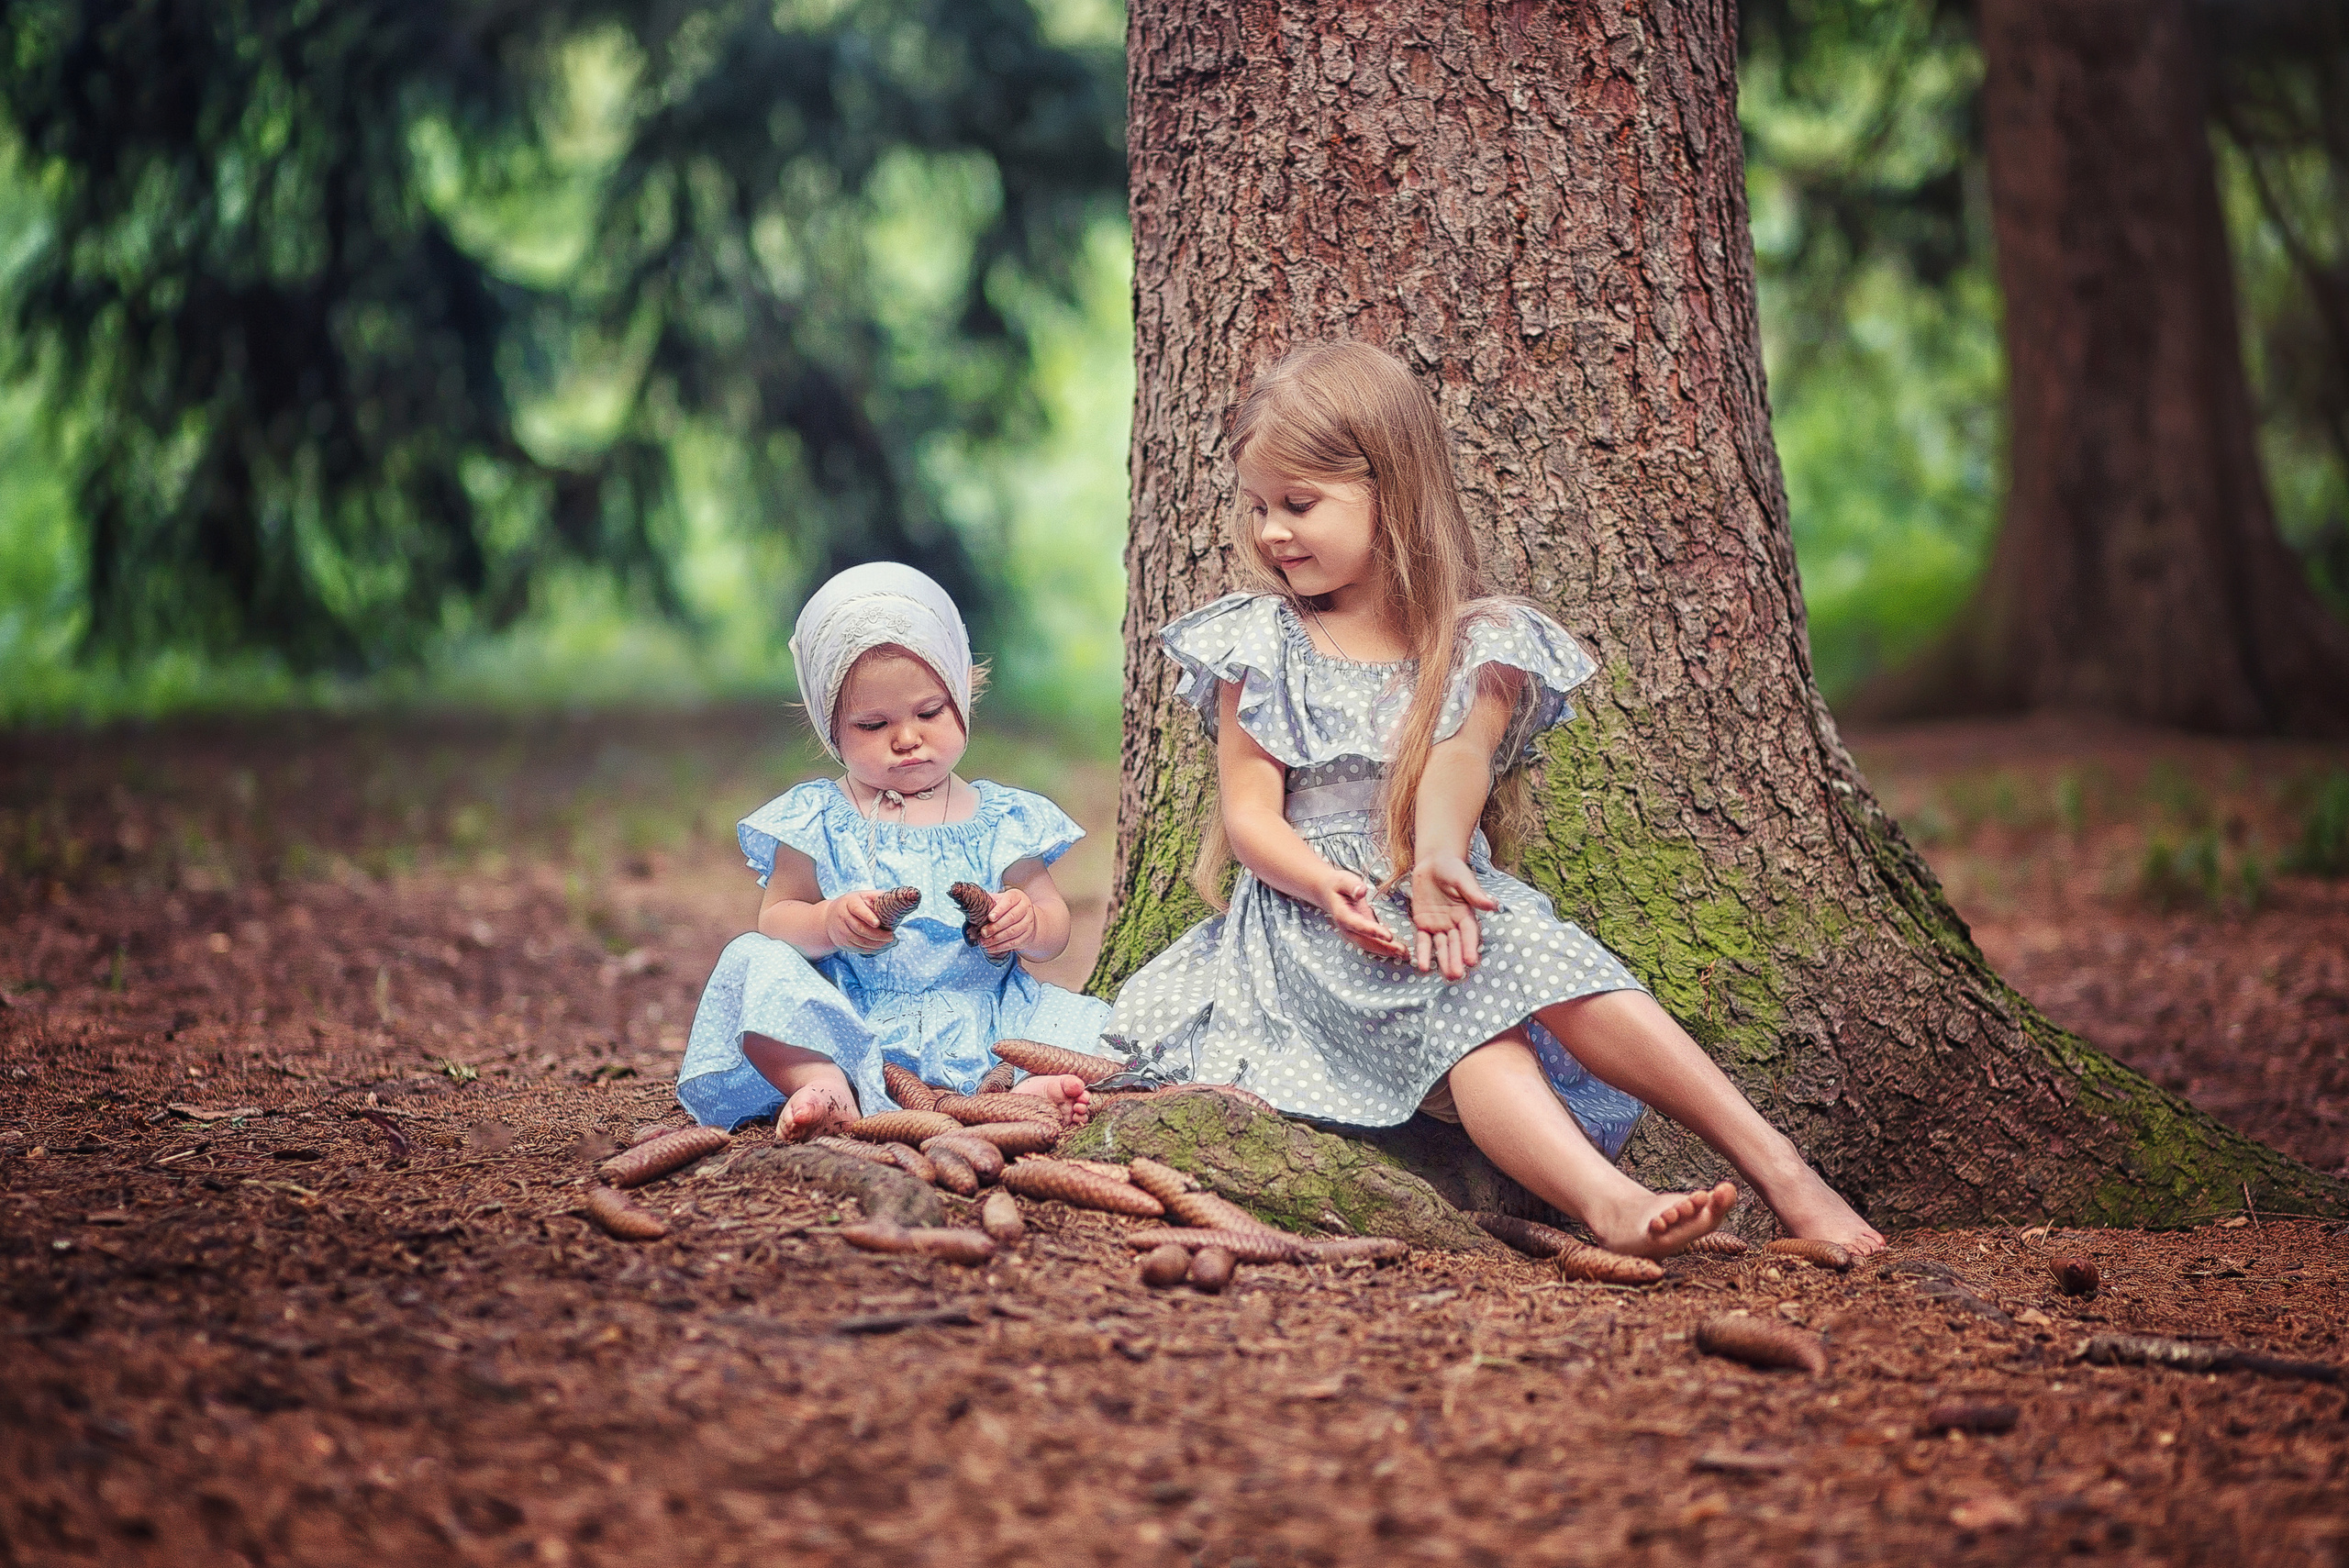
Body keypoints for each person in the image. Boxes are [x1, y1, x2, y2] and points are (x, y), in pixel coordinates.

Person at [1104, 341, 1885, 1259]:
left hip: (1444, 895)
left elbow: (1457, 764)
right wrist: (1323, 884)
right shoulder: (1261, 642)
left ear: (1390, 489)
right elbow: (1249, 813)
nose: (1272, 531)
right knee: (1477, 1023)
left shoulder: (1478, 642)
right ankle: (1611, 1202)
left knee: (1541, 965)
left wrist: (1434, 858)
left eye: (1300, 504)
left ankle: (1784, 1172)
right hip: (1313, 927)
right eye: (1259, 507)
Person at [676, 563, 1105, 1140]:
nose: (906, 738)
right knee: (750, 962)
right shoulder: (819, 817)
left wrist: (1025, 924)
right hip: (854, 1018)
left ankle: (1016, 1090)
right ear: (832, 729)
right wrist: (828, 922)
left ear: (960, 697)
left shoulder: (1001, 816)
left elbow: (1054, 928)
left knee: (1103, 1031)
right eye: (873, 723)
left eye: (929, 712)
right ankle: (823, 1081)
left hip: (986, 1017)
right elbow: (776, 919)